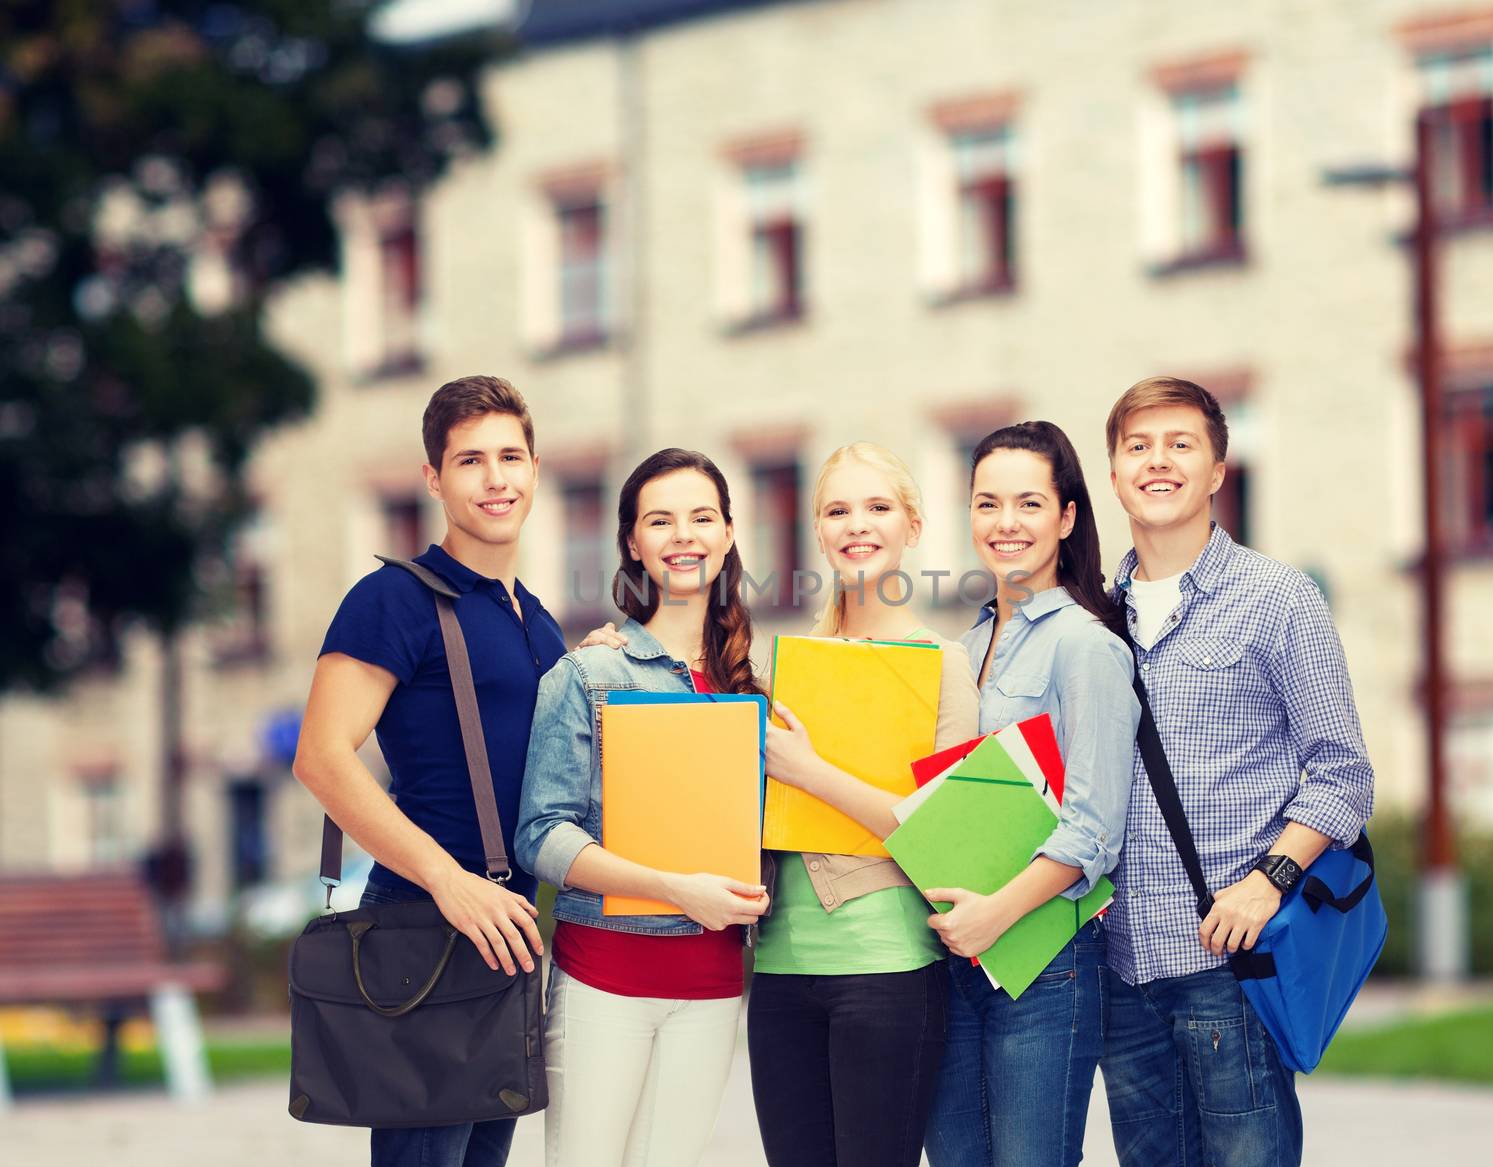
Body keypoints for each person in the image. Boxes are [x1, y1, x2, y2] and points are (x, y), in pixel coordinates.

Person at [1097, 377, 1375, 1167]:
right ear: (1114, 472)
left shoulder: (1280, 599)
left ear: (1218, 469)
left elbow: (1342, 774)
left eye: (1181, 444)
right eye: (1138, 446)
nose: (1159, 462)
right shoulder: (1091, 616)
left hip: (1231, 966)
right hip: (1122, 970)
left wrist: (1268, 879)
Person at [292, 374, 564, 1167]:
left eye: (511, 456)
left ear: (537, 470)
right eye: (470, 460)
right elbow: (321, 757)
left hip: (508, 929)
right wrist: (450, 880)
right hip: (426, 919)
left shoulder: (537, 619)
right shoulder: (393, 600)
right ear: (434, 479)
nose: (495, 478)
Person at [515, 448, 770, 1167]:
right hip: (605, 980)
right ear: (632, 541)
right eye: (660, 520)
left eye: (701, 517)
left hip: (715, 986)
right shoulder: (590, 672)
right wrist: (672, 888)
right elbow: (540, 834)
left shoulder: (760, 686)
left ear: (726, 533)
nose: (683, 535)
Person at [923, 421, 1140, 1167]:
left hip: (1046, 961)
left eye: (1028, 503)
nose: (1005, 523)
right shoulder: (961, 650)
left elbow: (1093, 830)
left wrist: (996, 915)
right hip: (955, 957)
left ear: (1067, 516)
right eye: (987, 504)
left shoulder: (1086, 646)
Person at [755, 442, 979, 1167]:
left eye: (879, 507)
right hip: (780, 969)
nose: (858, 524)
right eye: (838, 509)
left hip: (887, 968)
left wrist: (811, 770)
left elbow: (942, 833)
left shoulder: (944, 664)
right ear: (817, 531)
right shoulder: (780, 665)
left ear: (913, 526)